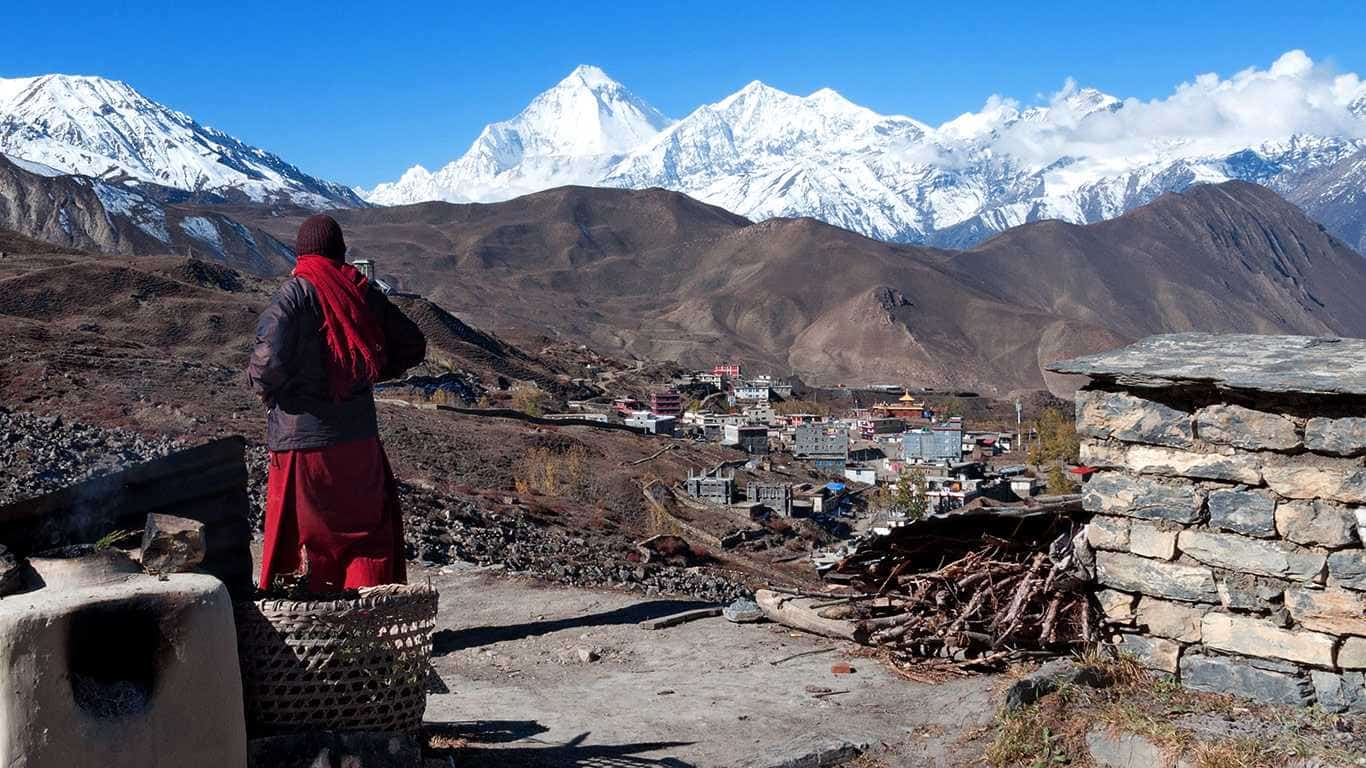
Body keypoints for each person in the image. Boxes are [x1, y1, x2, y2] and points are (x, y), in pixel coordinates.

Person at [246, 214, 426, 593]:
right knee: (364, 536)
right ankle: (373, 624)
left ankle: (305, 633)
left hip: (302, 446)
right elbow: (412, 344)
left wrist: (268, 387)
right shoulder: (361, 291)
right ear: (339, 251)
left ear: (301, 253)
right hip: (357, 441)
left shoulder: (293, 295)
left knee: (304, 542)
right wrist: (367, 371)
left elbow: (267, 363)